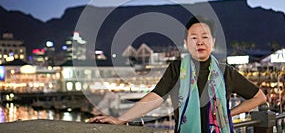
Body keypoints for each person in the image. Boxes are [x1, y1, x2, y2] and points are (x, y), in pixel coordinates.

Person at [88, 15, 267, 133]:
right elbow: (156, 97)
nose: (199, 42)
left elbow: (259, 97)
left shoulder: (225, 72)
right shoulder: (177, 69)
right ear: (186, 43)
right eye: (193, 38)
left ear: (213, 41)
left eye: (204, 37)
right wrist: (120, 119)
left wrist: (228, 114)